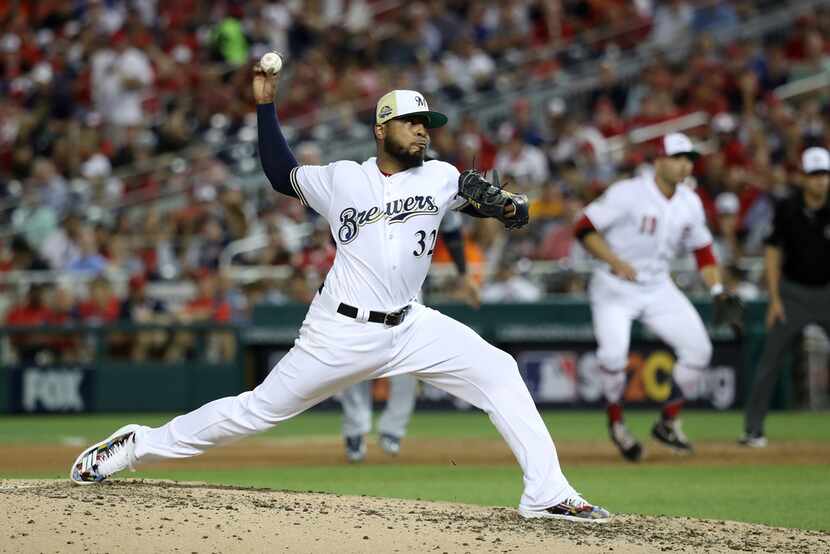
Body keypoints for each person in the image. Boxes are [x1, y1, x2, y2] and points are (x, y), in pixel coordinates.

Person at [68, 62, 610, 523]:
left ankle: (548, 494)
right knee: (253, 412)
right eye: (410, 122)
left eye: (427, 123)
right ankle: (138, 444)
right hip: (340, 331)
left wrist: (504, 203)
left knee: (499, 370)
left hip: (412, 325)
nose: (422, 130)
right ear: (381, 129)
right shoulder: (343, 178)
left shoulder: (442, 176)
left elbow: (518, 212)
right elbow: (281, 174)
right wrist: (265, 106)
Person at [575, 133, 735, 462]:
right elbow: (583, 226)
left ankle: (668, 422)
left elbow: (703, 252)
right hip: (614, 288)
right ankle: (617, 423)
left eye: (689, 159)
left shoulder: (689, 201)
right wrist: (614, 261)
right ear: (659, 160)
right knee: (613, 358)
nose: (685, 165)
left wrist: (718, 290)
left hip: (658, 287)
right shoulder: (628, 193)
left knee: (699, 351)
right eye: (678, 158)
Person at [341, 213, 475, 463]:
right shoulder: (362, 180)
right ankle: (355, 430)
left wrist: (463, 274)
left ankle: (392, 430)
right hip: (360, 284)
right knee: (352, 359)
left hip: (408, 287)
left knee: (410, 360)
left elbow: (453, 230)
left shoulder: (433, 181)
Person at [740, 147, 830, 447]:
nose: (820, 181)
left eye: (825, 175)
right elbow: (772, 252)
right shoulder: (787, 208)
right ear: (803, 177)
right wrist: (775, 298)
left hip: (827, 292)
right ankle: (753, 430)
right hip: (792, 294)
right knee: (770, 361)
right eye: (815, 175)